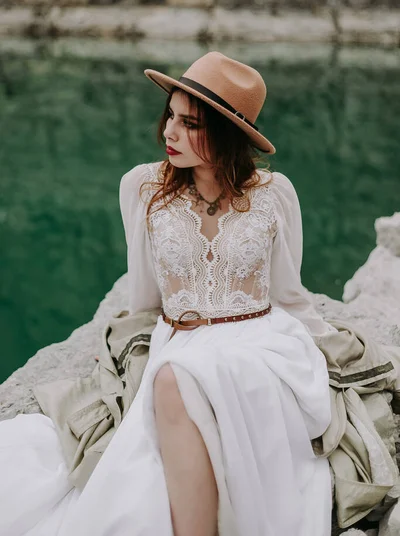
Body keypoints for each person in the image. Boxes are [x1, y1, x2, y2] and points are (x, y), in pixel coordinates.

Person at [0, 51, 337, 536]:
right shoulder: (142, 187)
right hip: (179, 338)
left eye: (189, 123)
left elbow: (289, 292)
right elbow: (143, 293)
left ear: (226, 133)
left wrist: (326, 347)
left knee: (178, 380)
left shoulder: (274, 193)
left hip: (260, 343)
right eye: (171, 117)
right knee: (172, 379)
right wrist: (124, 351)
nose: (169, 133)